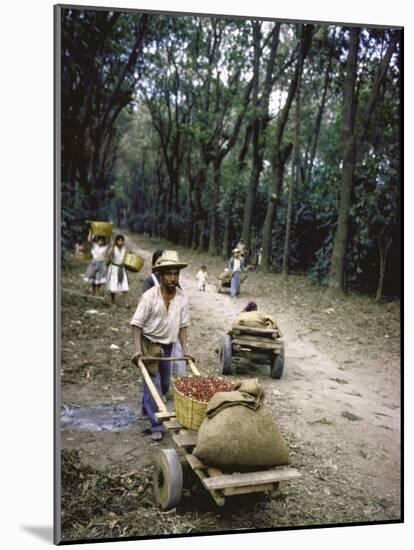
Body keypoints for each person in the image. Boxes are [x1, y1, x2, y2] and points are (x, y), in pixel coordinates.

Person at [130, 250, 192, 441]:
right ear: (161, 275)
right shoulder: (149, 296)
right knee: (154, 387)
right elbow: (136, 324)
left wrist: (186, 352)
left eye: (176, 274)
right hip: (149, 345)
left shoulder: (182, 298)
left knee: (164, 385)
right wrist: (138, 349)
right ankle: (156, 425)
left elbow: (182, 326)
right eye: (169, 274)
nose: (173, 278)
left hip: (168, 347)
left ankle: (146, 403)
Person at [106, 234, 130, 307]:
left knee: (124, 285)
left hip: (121, 269)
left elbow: (126, 257)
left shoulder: (124, 249)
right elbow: (109, 254)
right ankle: (113, 302)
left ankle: (126, 303)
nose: (121, 242)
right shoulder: (114, 248)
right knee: (113, 285)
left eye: (122, 240)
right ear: (116, 241)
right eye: (119, 240)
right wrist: (112, 245)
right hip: (114, 269)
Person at [83, 231, 108, 295]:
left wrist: (109, 235)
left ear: (104, 242)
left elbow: (112, 244)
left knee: (99, 278)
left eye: (102, 241)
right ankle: (93, 290)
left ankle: (97, 290)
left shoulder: (105, 248)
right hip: (93, 263)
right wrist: (90, 231)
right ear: (97, 241)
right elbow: (89, 239)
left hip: (101, 264)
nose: (100, 242)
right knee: (93, 277)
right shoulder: (95, 245)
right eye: (99, 241)